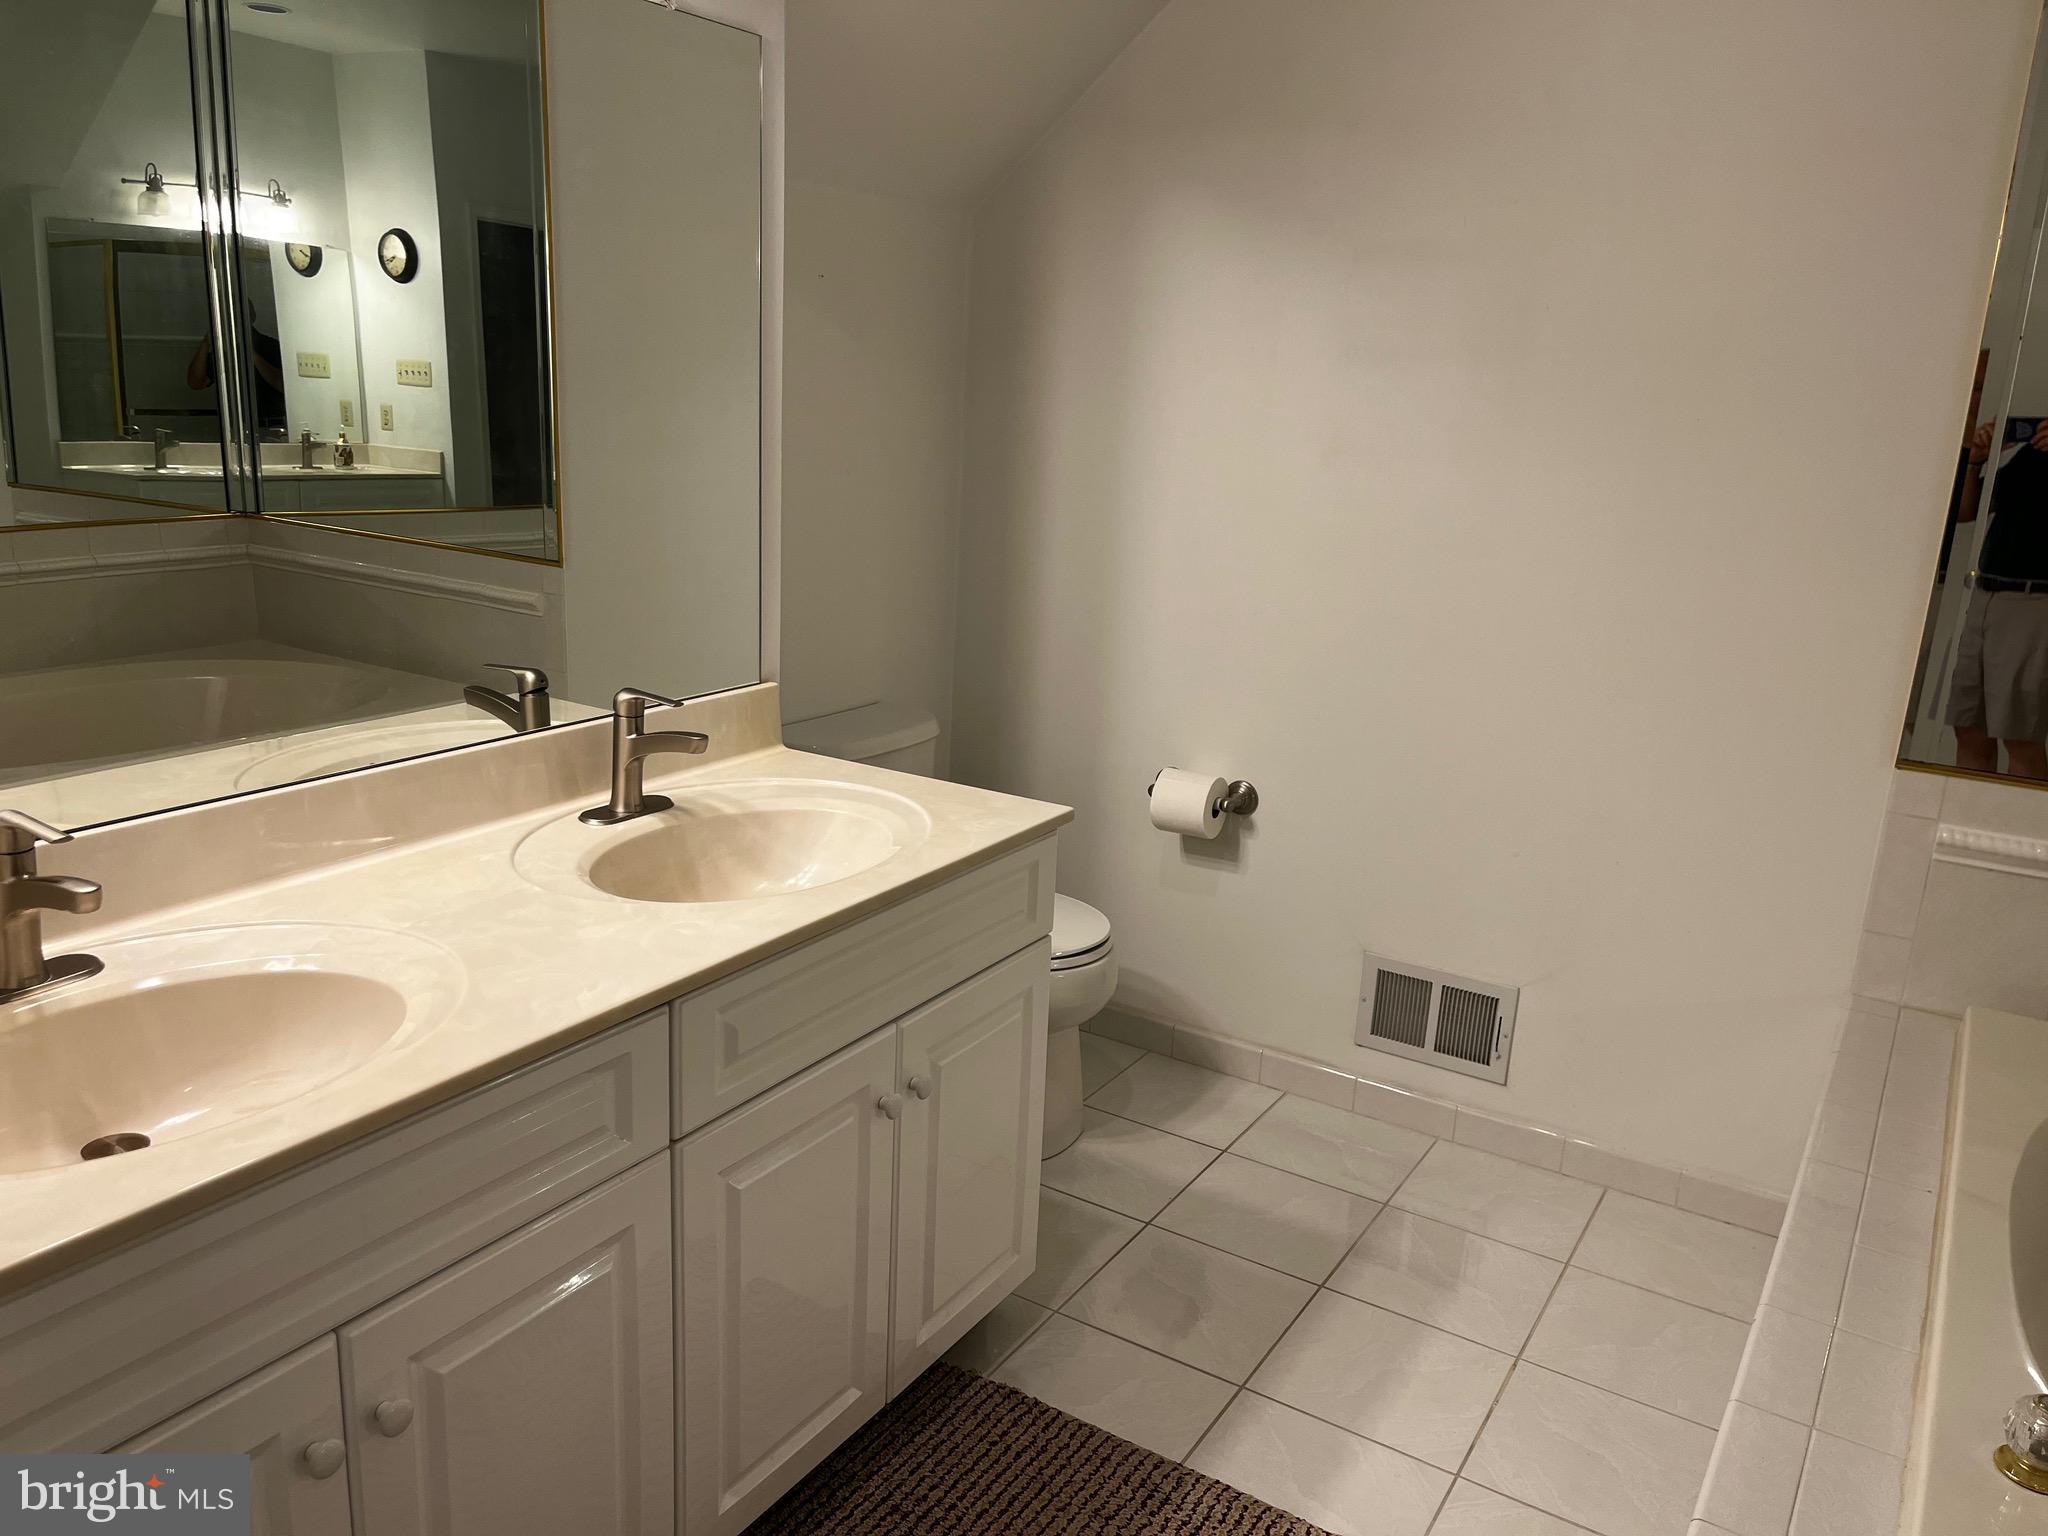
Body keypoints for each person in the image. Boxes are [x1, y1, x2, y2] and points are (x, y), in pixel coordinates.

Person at [1949, 412, 2048, 780]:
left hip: (2033, 601)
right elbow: (1965, 511)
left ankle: (2019, 833)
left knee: (2020, 736)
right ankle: (1963, 823)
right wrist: (1978, 458)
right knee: (1969, 729)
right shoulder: (2028, 453)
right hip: (1986, 594)